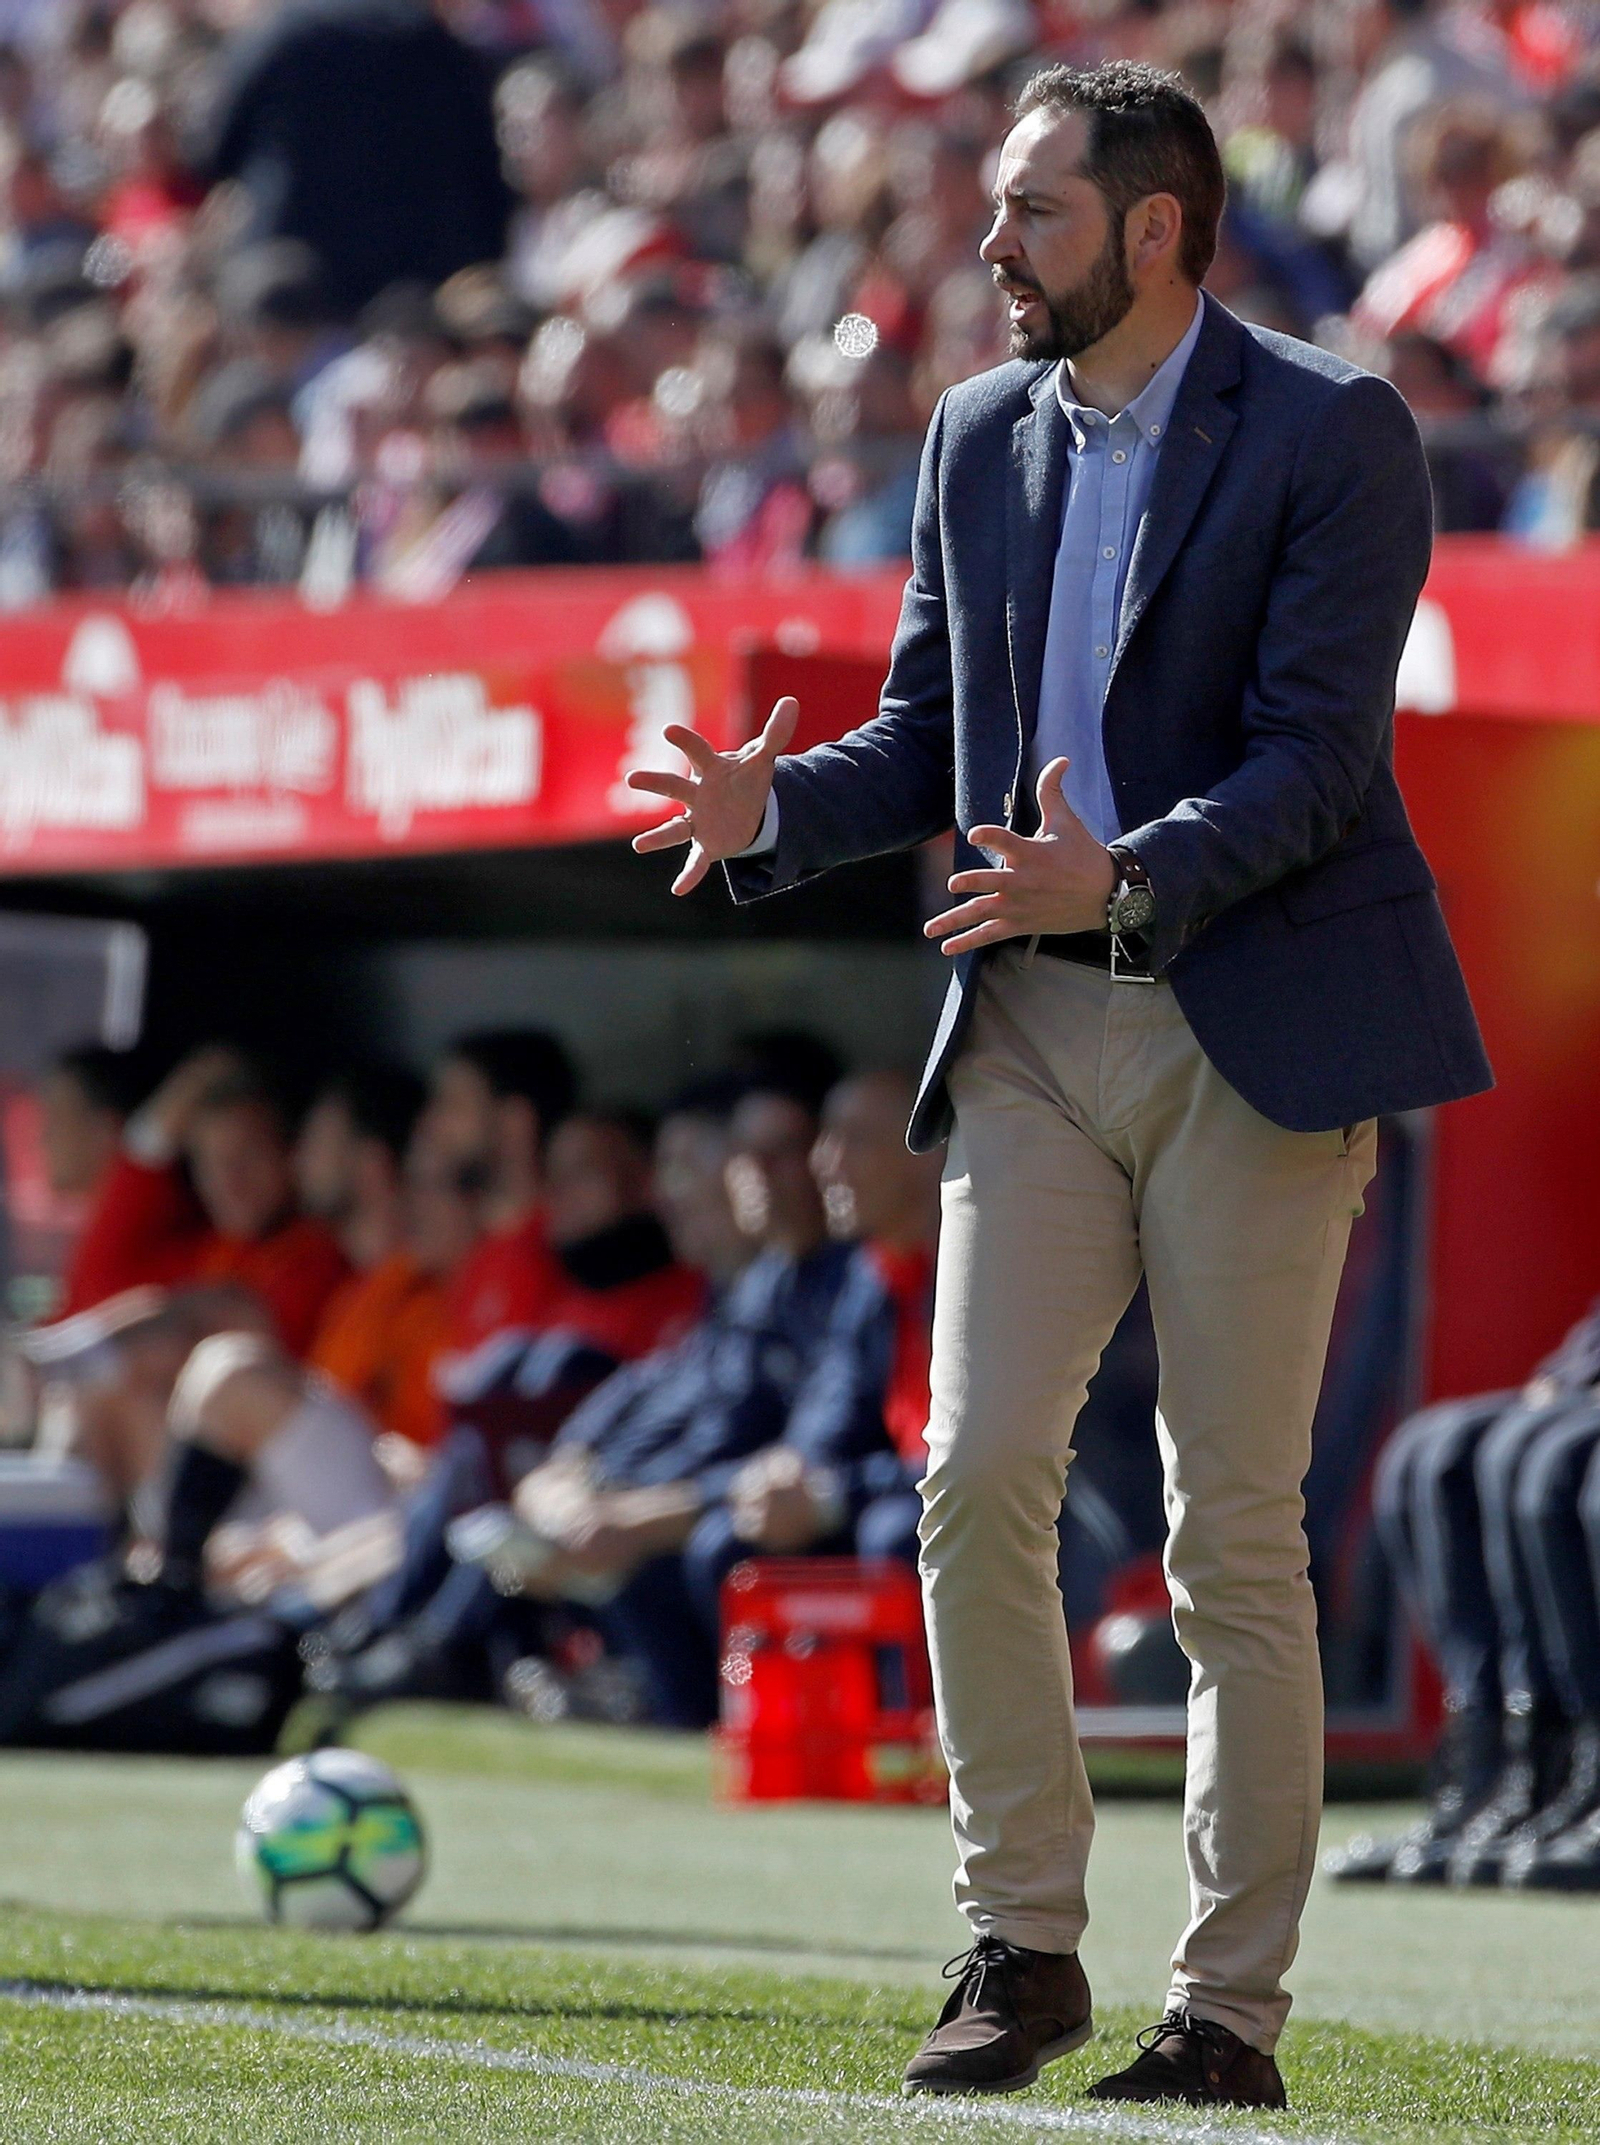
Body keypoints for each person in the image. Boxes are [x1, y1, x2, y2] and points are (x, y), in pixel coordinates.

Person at [627, 59, 1490, 2108]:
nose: (987, 245)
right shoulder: (968, 432)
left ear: (1156, 227)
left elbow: (1316, 759)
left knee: (1228, 1536)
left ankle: (1228, 2011)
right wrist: (767, 813)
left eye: (1027, 209)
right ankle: (1018, 1945)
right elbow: (929, 732)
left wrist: (1138, 862)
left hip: (1246, 1014)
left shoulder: (1332, 428)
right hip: (1024, 1012)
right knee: (971, 1474)